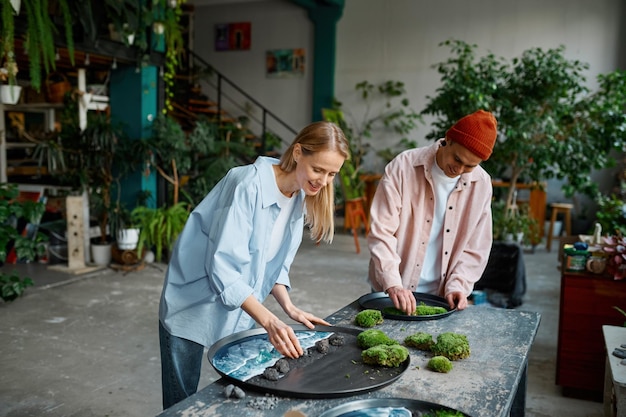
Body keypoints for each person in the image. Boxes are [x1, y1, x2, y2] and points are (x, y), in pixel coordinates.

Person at [158, 121, 350, 409]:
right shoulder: (247, 183)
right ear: (298, 153)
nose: (323, 181)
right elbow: (222, 268)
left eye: (332, 174)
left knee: (237, 394)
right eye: (318, 169)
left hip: (239, 307)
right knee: (182, 406)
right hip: (191, 303)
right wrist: (269, 320)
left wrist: (289, 307)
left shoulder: (299, 195)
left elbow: (272, 264)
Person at [367, 110, 497, 314]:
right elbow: (381, 232)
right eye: (457, 159)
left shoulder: (481, 184)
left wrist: (458, 286)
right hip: (391, 290)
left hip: (442, 296)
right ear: (448, 139)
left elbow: (476, 246)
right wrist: (393, 283)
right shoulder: (403, 167)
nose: (459, 169)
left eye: (470, 166)